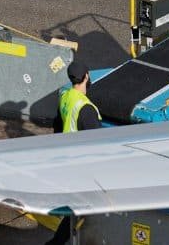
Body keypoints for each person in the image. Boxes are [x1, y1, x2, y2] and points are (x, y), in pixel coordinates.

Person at [47, 61, 100, 245]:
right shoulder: (87, 109)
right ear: (86, 76)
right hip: (80, 166)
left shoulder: (66, 96)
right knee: (80, 209)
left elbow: (59, 124)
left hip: (66, 160)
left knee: (73, 211)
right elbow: (98, 144)